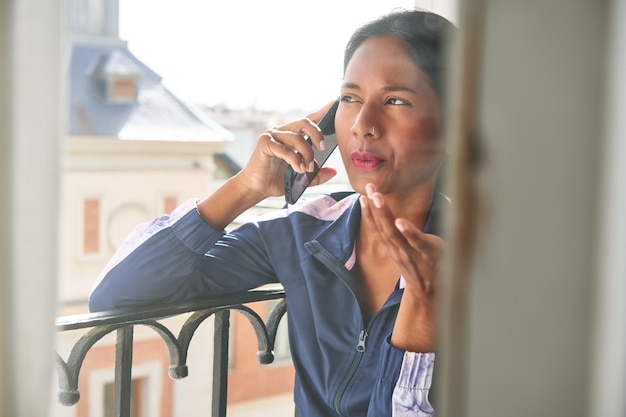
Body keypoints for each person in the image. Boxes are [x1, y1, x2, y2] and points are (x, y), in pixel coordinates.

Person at [89, 8, 455, 417]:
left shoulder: (486, 262)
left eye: (395, 100)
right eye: (350, 98)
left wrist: (423, 314)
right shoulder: (305, 233)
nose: (363, 125)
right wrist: (246, 187)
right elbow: (118, 293)